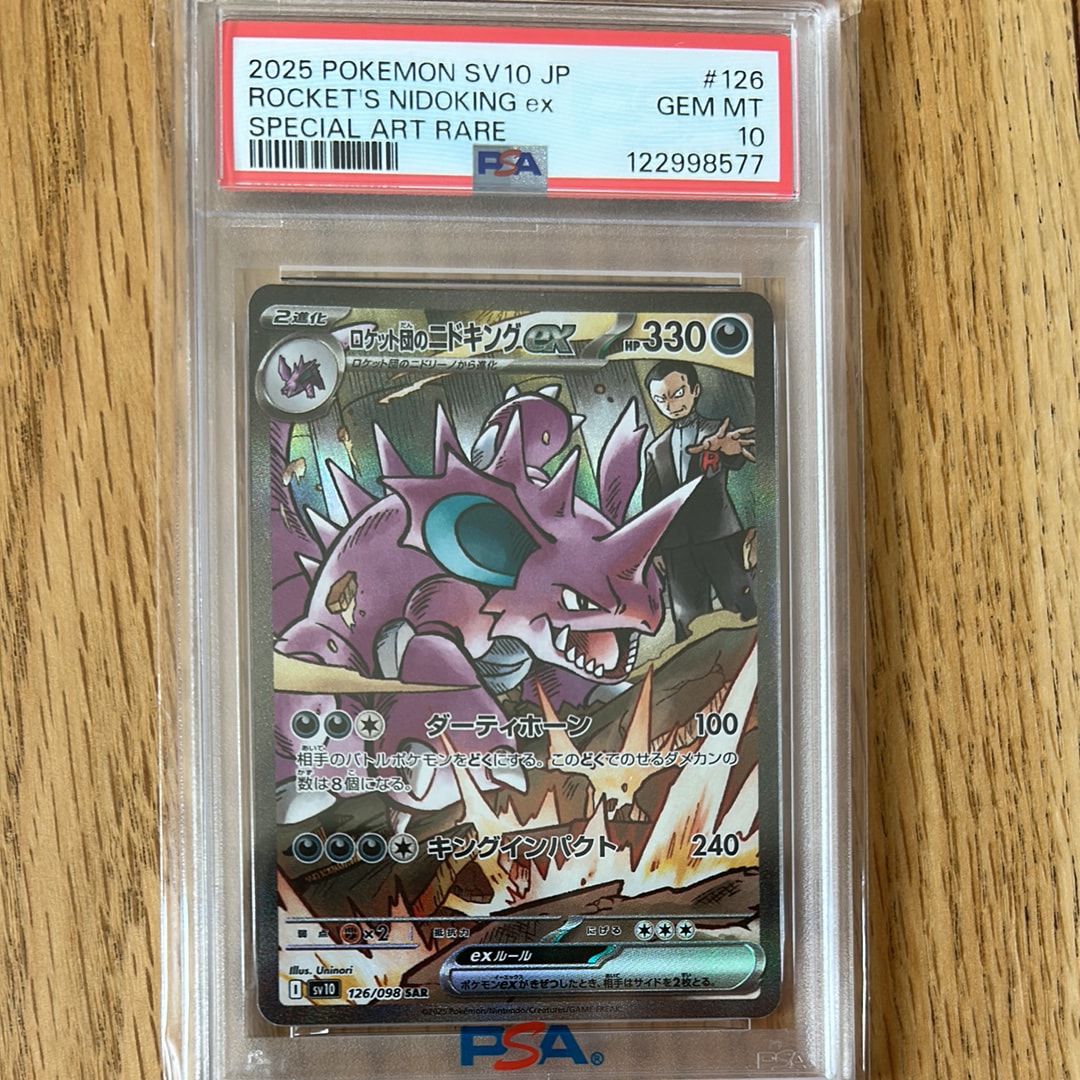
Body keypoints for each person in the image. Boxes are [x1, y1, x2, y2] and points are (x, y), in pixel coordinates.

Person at [642, 360, 756, 641]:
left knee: (742, 607)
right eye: (661, 399)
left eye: (677, 394)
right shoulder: (655, 450)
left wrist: (730, 451)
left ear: (695, 390)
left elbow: (735, 459)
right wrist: (655, 549)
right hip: (677, 547)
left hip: (720, 535)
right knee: (688, 621)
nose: (670, 405)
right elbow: (652, 506)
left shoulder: (717, 432)